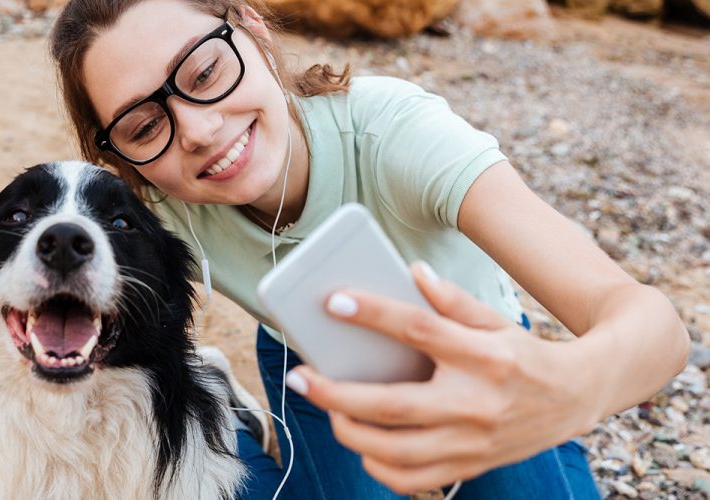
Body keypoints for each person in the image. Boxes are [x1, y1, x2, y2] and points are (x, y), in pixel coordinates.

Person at [49, 0, 690, 498]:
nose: (198, 130)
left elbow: (647, 320)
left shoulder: (396, 135)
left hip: (482, 358)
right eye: (143, 125)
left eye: (206, 71)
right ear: (118, 154)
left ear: (252, 29)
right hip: (310, 351)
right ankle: (229, 418)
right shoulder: (157, 199)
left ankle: (553, 440)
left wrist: (570, 386)